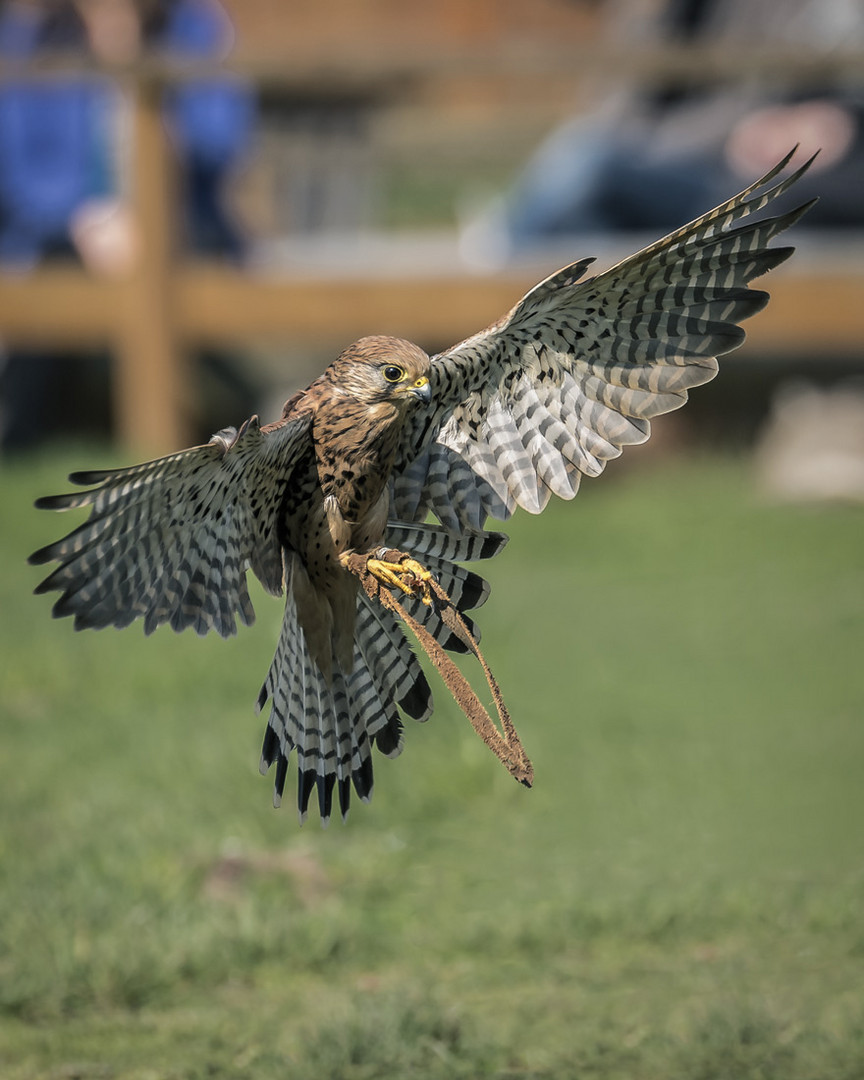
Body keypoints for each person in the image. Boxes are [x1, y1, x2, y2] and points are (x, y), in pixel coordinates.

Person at [0, 0, 255, 451]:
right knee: (56, 271)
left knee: (169, 269)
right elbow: (18, 171)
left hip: (185, 223)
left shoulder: (193, 23)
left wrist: (141, 67)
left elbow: (221, 138)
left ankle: (217, 414)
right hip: (64, 235)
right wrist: (81, 217)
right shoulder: (38, 34)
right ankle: (29, 430)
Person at [462, 0, 864, 265]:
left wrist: (648, 148)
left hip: (720, 184)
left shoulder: (775, 13)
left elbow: (751, 121)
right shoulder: (655, 15)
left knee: (587, 161)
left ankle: (504, 251)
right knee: (586, 199)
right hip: (657, 176)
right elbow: (609, 108)